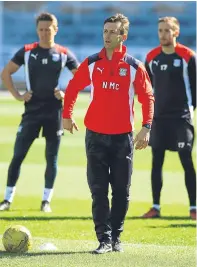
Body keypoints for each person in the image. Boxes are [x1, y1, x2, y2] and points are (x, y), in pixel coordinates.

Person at [62, 13, 154, 254]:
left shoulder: (134, 66)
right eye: (105, 31)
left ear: (123, 36)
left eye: (113, 32)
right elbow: (72, 87)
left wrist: (147, 126)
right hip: (95, 137)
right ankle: (103, 239)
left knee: (122, 191)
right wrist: (66, 115)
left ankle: (116, 238)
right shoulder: (92, 63)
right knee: (99, 190)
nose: (108, 35)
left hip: (123, 139)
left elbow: (147, 97)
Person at [0, 12, 79, 212]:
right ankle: (7, 200)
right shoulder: (27, 51)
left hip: (54, 113)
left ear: (55, 29)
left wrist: (65, 93)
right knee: (18, 156)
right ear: (37, 30)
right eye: (41, 29)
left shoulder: (63, 53)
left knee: (51, 158)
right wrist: (18, 96)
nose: (44, 33)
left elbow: (81, 79)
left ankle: (46, 201)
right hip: (31, 112)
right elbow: (6, 72)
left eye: (48, 29)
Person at [142, 17, 196, 220]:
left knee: (186, 160)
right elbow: (147, 89)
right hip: (160, 119)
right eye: (160, 30)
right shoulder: (151, 57)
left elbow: (195, 87)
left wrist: (191, 111)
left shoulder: (188, 57)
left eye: (167, 30)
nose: (163, 34)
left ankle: (194, 208)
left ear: (176, 32)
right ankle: (155, 207)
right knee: (157, 162)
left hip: (181, 118)